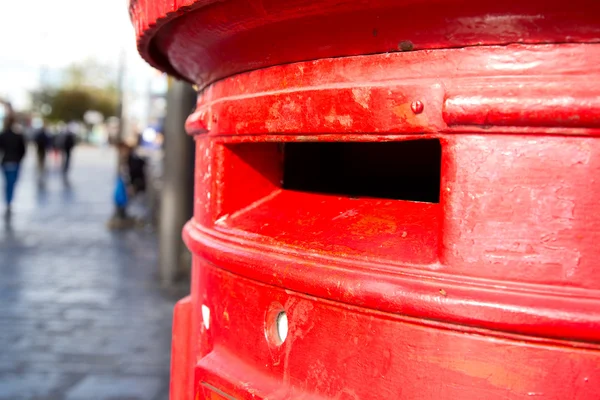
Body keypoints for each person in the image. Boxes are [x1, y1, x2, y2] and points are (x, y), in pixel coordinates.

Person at [0, 114, 26, 215]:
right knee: (12, 183)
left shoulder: (3, 135)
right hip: (15, 162)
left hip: (6, 161)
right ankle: (9, 201)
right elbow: (23, 150)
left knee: (8, 183)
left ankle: (8, 200)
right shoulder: (18, 136)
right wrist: (19, 159)